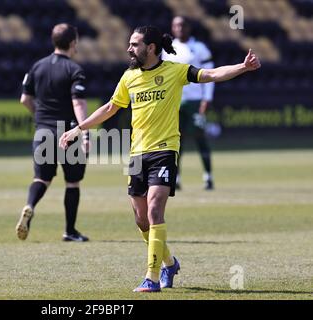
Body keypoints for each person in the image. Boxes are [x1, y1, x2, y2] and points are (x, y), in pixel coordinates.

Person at [59, 25, 260, 292]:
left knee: (154, 210)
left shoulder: (176, 71)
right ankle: (170, 263)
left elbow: (210, 74)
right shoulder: (129, 77)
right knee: (141, 220)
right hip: (136, 153)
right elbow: (110, 108)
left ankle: (151, 278)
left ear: (151, 48)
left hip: (165, 149)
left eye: (134, 44)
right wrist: (78, 128)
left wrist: (242, 67)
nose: (129, 48)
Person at [17, 23, 90, 242]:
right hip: (67, 133)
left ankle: (30, 205)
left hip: (42, 130)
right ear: (72, 43)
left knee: (41, 178)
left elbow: (24, 99)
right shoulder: (74, 70)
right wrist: (84, 132)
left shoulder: (37, 67)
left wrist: (39, 117)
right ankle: (70, 231)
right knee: (72, 182)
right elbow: (78, 103)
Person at [162, 16, 215, 190]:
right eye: (175, 25)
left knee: (200, 139)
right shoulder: (168, 49)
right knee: (176, 141)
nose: (179, 28)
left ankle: (208, 177)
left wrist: (206, 98)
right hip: (175, 102)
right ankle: (175, 178)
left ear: (189, 27)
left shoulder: (199, 48)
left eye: (182, 25)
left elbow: (210, 75)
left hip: (195, 101)